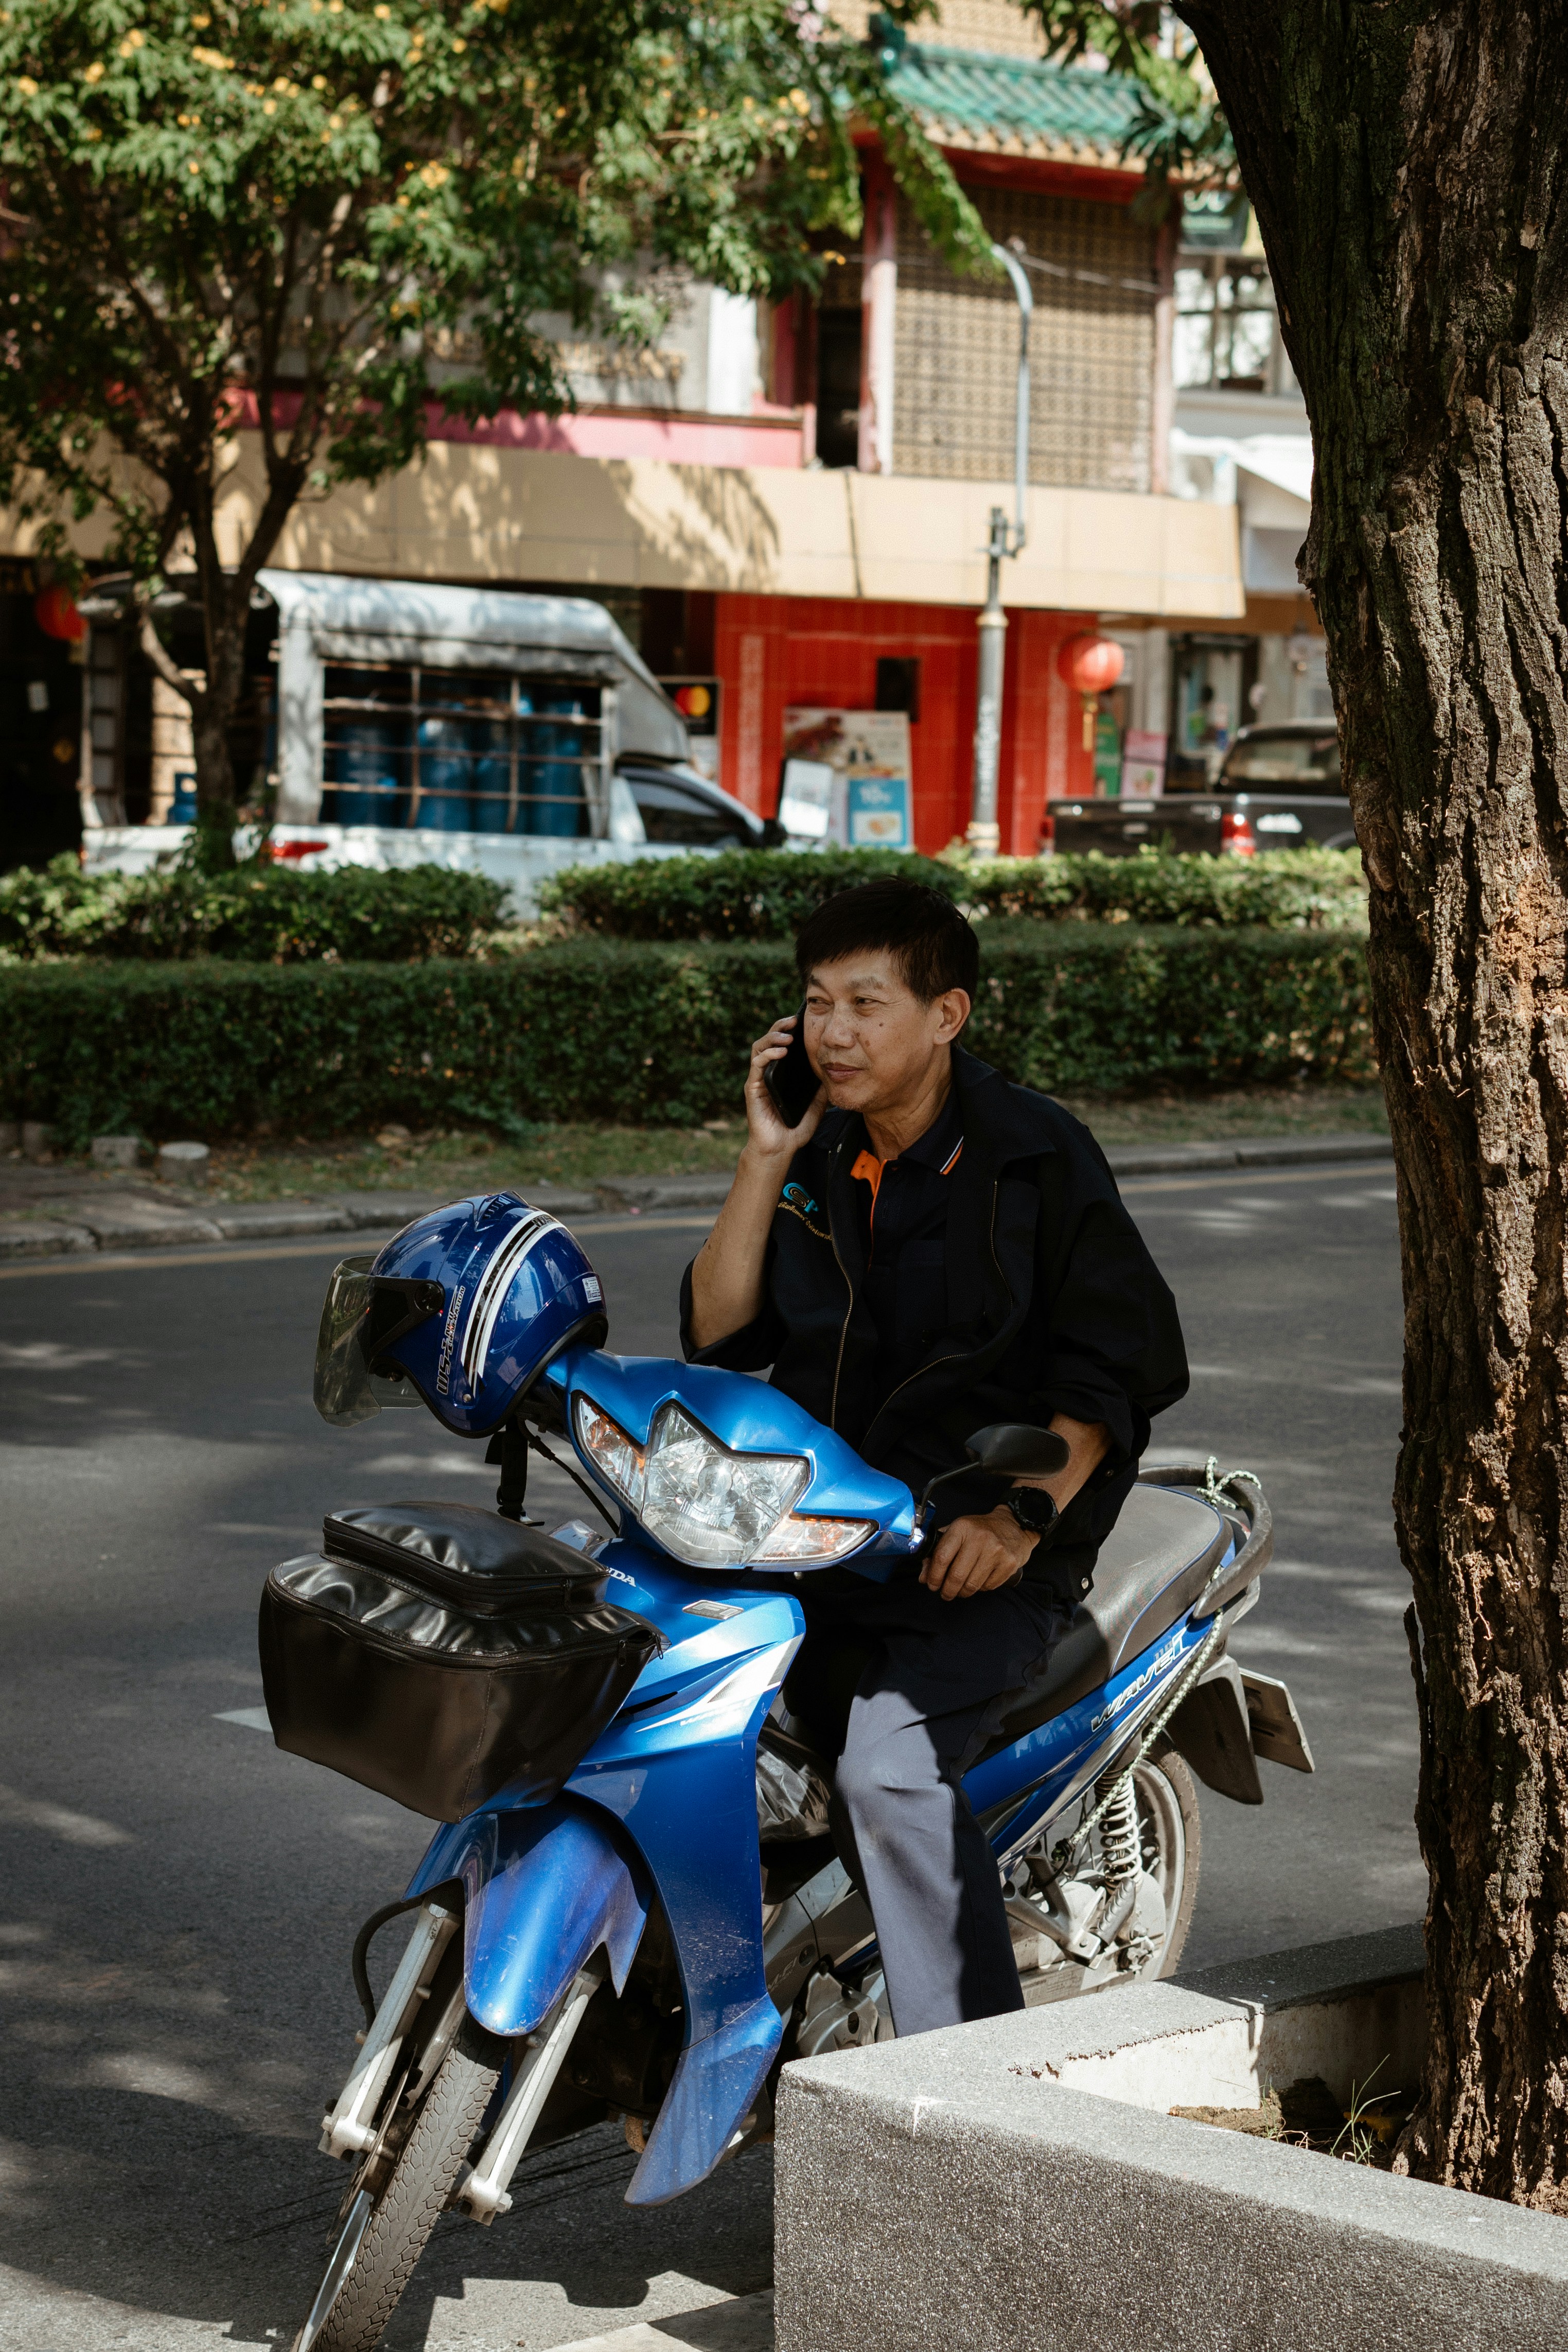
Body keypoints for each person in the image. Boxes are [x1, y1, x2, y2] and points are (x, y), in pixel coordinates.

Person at [682, 876, 1188, 2037]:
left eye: (868, 1002)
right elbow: (717, 1329)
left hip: (978, 1556)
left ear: (947, 1013)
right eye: (817, 1004)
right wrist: (766, 1153)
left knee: (888, 1775)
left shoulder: (1035, 1155)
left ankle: (977, 2089)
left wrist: (1020, 1515)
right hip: (818, 1534)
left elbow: (1113, 1365)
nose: (835, 1032)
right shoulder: (821, 1152)